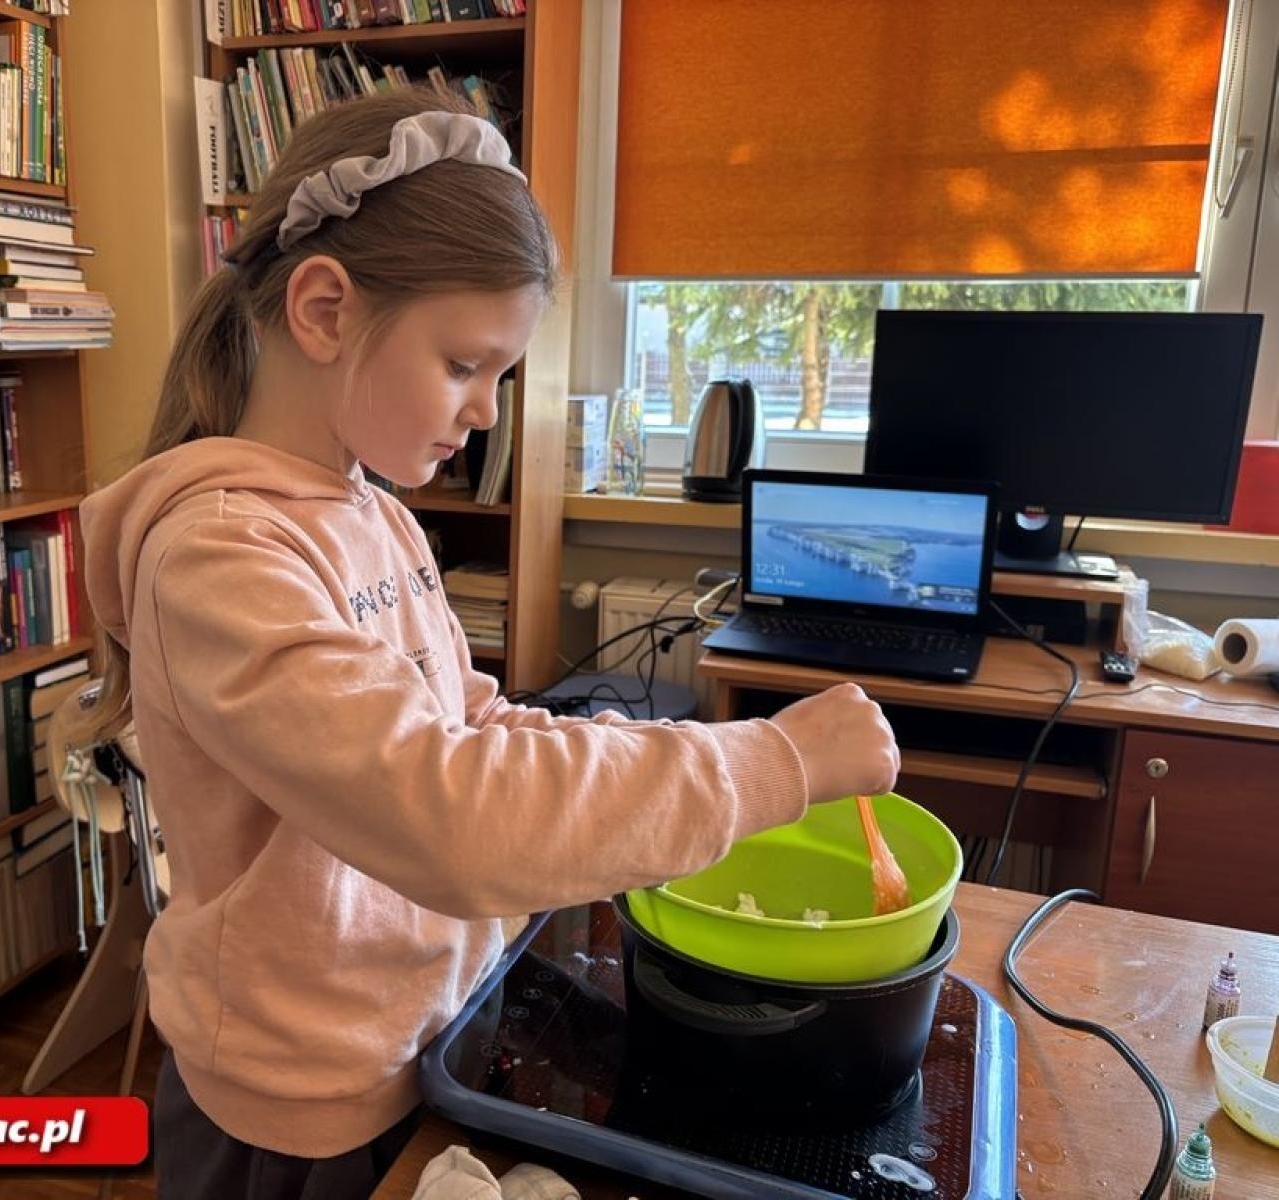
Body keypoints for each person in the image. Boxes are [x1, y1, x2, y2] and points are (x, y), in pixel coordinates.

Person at [76, 86, 899, 1200]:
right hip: (299, 1110)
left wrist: (615, 757)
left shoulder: (374, 512)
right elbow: (446, 807)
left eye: (499, 377)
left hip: (426, 1033)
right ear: (323, 312)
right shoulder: (218, 560)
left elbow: (465, 724)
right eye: (465, 365)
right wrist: (773, 763)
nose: (486, 414)